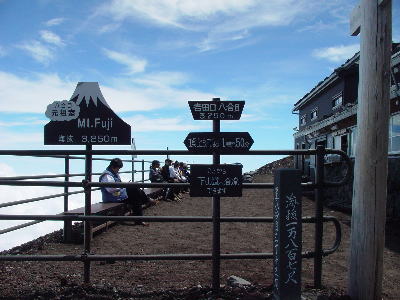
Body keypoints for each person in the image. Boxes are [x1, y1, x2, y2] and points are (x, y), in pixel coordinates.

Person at [99, 158, 155, 226]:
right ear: (113, 167)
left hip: (118, 196)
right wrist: (124, 186)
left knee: (136, 197)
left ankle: (139, 220)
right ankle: (147, 200)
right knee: (135, 189)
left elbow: (117, 185)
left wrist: (124, 185)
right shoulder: (107, 175)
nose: (118, 170)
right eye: (118, 168)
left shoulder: (113, 173)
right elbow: (111, 189)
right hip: (112, 198)